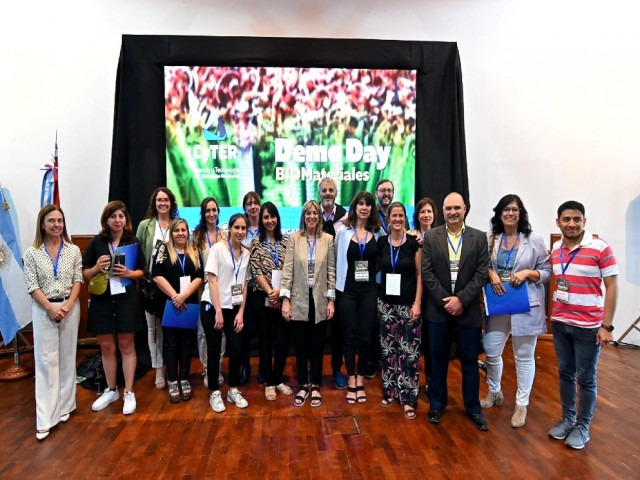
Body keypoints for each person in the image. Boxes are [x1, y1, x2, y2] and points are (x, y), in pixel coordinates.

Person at [547, 200, 618, 450]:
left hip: (588, 327)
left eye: (577, 219)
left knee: (586, 378)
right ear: (558, 223)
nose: (572, 224)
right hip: (561, 324)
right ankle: (568, 419)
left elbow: (612, 287)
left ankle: (583, 426)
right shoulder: (556, 248)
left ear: (584, 221)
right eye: (566, 219)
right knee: (565, 374)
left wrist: (606, 326)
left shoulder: (600, 248)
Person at [481, 194, 551, 428]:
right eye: (506, 210)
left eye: (515, 209)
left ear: (521, 214)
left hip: (525, 305)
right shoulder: (491, 238)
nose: (510, 213)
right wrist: (490, 273)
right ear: (499, 214)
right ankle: (495, 392)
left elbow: (547, 272)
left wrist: (528, 273)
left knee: (523, 356)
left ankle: (521, 404)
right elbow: (483, 266)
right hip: (499, 303)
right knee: (491, 351)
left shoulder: (535, 240)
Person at [421, 192, 490, 431]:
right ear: (443, 210)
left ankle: (473, 407)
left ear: (465, 209)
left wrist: (460, 300)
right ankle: (437, 404)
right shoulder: (431, 236)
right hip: (438, 312)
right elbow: (427, 273)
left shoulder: (479, 238)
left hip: (468, 311)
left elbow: (482, 274)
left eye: (457, 208)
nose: (452, 212)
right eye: (448, 208)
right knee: (438, 360)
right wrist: (446, 301)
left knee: (470, 361)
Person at [23, 205, 83, 440]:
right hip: (44, 309)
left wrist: (68, 305)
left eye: (60, 220)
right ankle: (46, 418)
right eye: (52, 221)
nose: (57, 225)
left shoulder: (74, 250)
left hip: (69, 307)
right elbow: (32, 285)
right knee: (46, 362)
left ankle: (66, 406)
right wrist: (50, 308)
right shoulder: (32, 253)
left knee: (68, 358)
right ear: (42, 224)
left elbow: (78, 280)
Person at [82, 201, 146, 415]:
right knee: (107, 347)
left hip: (127, 299)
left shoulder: (133, 241)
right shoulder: (96, 243)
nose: (118, 220)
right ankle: (111, 390)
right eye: (113, 216)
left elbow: (142, 272)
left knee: (127, 345)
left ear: (126, 219)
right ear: (106, 220)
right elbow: (84, 274)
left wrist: (128, 273)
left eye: (121, 216)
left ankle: (128, 391)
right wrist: (96, 268)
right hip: (102, 300)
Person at [280, 200, 336, 408]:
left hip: (320, 300)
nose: (312, 216)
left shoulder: (328, 240)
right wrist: (286, 300)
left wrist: (331, 300)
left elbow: (331, 272)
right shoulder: (294, 239)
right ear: (303, 216)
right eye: (308, 213)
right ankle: (303, 384)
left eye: (315, 213)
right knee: (301, 345)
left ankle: (316, 385)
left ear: (319, 217)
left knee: (317, 345)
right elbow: (287, 271)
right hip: (299, 300)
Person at [201, 213, 252, 412]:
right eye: (236, 227)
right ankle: (215, 392)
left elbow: (245, 284)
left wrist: (240, 312)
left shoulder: (246, 254)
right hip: (213, 307)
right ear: (229, 228)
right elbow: (212, 280)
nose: (240, 232)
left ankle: (232, 389)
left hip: (234, 308)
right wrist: (218, 311)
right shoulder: (218, 250)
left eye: (243, 228)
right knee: (214, 352)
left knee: (236, 349)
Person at [377, 202, 422, 420]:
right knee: (388, 351)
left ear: (405, 218)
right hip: (385, 305)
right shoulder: (381, 243)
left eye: (400, 215)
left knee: (409, 353)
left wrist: (417, 304)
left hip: (407, 304)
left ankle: (408, 398)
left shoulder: (414, 243)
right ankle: (391, 392)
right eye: (393, 215)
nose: (397, 219)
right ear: (387, 219)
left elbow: (420, 275)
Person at [335, 192, 381, 404]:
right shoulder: (343, 233)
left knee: (365, 337)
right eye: (360, 204)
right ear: (354, 207)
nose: (364, 207)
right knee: (349, 337)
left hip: (370, 292)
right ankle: (351, 379)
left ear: (372, 209)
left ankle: (361, 378)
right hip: (347, 291)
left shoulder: (378, 234)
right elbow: (335, 261)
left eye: (368, 204)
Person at [153, 218, 204, 403]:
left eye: (184, 230)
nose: (181, 233)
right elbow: (156, 275)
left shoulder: (194, 250)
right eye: (177, 230)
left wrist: (184, 296)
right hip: (169, 304)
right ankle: (172, 379)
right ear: (171, 233)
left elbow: (200, 276)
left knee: (186, 343)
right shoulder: (163, 250)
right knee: (171, 343)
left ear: (188, 232)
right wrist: (175, 295)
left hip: (188, 304)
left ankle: (184, 378)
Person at [136, 187, 179, 390]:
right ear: (154, 203)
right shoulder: (145, 226)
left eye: (166, 200)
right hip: (150, 285)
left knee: (168, 329)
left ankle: (173, 367)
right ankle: (158, 370)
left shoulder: (177, 225)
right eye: (159, 200)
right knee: (152, 329)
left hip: (172, 286)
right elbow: (138, 254)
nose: (162, 203)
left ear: (171, 203)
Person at [249, 202, 293, 401]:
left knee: (283, 341)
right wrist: (269, 291)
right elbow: (255, 270)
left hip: (283, 296)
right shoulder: (256, 243)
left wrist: (280, 292)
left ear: (277, 218)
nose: (269, 220)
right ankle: (268, 382)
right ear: (261, 220)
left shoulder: (287, 242)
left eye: (272, 216)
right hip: (261, 296)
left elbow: (290, 270)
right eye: (265, 217)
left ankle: (278, 379)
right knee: (265, 341)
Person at [192, 197, 228, 389]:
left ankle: (218, 367)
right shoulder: (197, 235)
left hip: (222, 288)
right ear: (203, 213)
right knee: (203, 332)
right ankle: (207, 368)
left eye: (214, 210)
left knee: (219, 331)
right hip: (202, 289)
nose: (211, 214)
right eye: (208, 211)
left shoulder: (225, 235)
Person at [318, 176, 348, 390]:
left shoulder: (346, 217)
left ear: (336, 193)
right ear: (319, 193)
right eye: (324, 190)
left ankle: (337, 369)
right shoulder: (312, 214)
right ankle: (314, 369)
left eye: (331, 190)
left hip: (339, 281)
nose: (327, 193)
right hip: (317, 281)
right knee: (316, 329)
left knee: (339, 331)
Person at [406, 197, 438, 392]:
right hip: (413, 294)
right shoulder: (410, 235)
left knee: (432, 342)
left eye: (429, 211)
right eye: (422, 212)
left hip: (435, 295)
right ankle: (410, 380)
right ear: (417, 215)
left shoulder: (440, 235)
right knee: (412, 341)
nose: (426, 215)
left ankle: (432, 382)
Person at [239, 191, 262, 385]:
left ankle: (264, 368)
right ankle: (244, 366)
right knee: (244, 332)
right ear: (244, 207)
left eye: (255, 203)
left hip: (263, 289)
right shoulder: (241, 229)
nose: (253, 206)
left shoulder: (266, 227)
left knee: (264, 332)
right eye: (249, 203)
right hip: (244, 287)